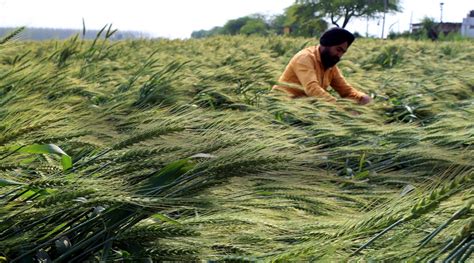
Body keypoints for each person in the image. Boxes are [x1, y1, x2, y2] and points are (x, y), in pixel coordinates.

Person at [272, 27, 372, 105]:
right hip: (280, 106)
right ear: (326, 44)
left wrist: (361, 97)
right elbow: (312, 89)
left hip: (301, 108)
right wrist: (339, 109)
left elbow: (346, 91)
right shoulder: (305, 58)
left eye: (343, 52)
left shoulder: (330, 65)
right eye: (338, 49)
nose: (339, 56)